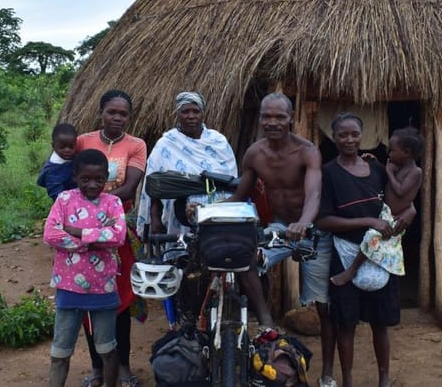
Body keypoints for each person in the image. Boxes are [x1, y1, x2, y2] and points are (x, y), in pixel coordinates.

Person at [227, 92, 338, 387]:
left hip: (311, 231)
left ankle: (327, 371)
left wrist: (303, 222)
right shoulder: (255, 154)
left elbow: (313, 193)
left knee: (324, 305)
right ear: (260, 117)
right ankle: (266, 321)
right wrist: (208, 209)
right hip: (278, 228)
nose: (272, 122)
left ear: (291, 118)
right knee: (246, 260)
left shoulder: (307, 151)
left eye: (279, 117)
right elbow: (241, 194)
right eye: (267, 116)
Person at [315, 113, 416, 387]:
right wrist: (368, 220)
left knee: (379, 323)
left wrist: (412, 210)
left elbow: (400, 200)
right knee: (346, 323)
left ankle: (384, 379)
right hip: (345, 251)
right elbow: (323, 220)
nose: (349, 140)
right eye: (343, 135)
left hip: (380, 255)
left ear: (363, 136)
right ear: (333, 138)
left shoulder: (378, 169)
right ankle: (347, 379)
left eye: (354, 134)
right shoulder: (328, 173)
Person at [75, 90, 147, 387]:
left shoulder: (136, 145)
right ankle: (97, 368)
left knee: (120, 301)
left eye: (123, 114)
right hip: (81, 235)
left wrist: (98, 207)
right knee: (87, 300)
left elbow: (129, 188)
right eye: (111, 112)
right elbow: (66, 179)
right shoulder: (82, 142)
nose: (117, 118)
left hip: (119, 233)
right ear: (101, 111)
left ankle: (123, 367)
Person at [43, 149, 127, 387]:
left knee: (107, 348)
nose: (92, 184)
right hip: (69, 288)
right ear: (75, 176)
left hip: (103, 287)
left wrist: (77, 232)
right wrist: (92, 242)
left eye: (99, 179)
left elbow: (118, 236)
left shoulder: (113, 202)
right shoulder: (64, 200)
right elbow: (51, 234)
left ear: (106, 178)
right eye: (85, 179)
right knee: (60, 352)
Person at [137, 91, 238, 237]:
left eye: (196, 111)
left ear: (203, 114)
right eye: (185, 111)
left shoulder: (218, 142)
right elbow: (153, 184)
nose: (191, 116)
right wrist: (154, 217)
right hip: (177, 213)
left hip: (217, 210)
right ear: (177, 114)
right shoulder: (167, 144)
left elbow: (231, 180)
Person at [330, 127, 422, 287]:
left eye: (392, 151)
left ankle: (351, 270)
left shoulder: (416, 172)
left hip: (395, 216)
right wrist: (377, 163)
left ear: (406, 152)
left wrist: (389, 171)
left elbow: (400, 191)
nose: (390, 154)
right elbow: (388, 183)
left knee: (372, 237)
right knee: (374, 238)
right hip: (386, 212)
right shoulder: (399, 166)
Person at [37, 123, 79, 199]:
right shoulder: (52, 170)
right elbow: (56, 194)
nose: (67, 150)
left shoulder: (75, 158)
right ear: (53, 146)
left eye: (71, 147)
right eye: (62, 147)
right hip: (64, 204)